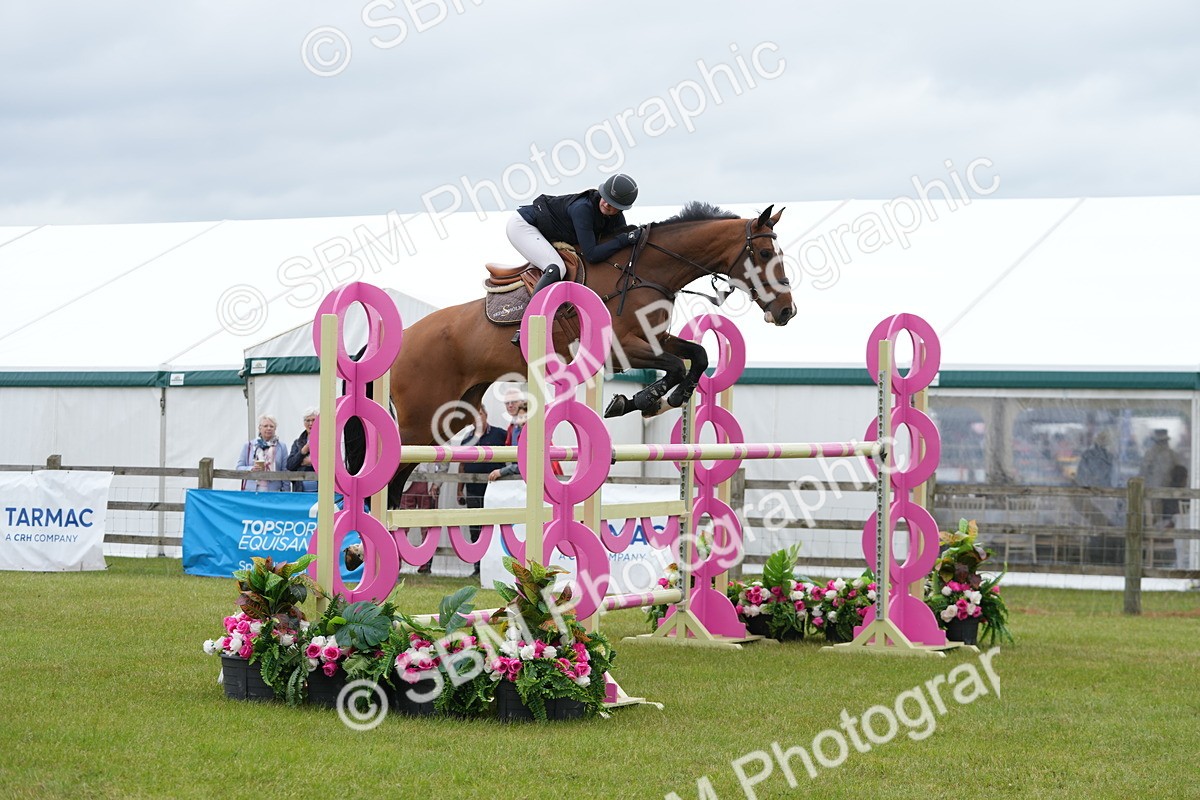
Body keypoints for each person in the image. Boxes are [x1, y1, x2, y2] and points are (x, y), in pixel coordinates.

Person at [507, 174, 641, 345]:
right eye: (605, 198)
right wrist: (625, 239)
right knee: (555, 267)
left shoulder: (616, 217)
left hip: (547, 231)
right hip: (524, 226)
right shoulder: (582, 208)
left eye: (613, 204)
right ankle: (526, 327)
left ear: (622, 209)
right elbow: (592, 254)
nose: (607, 204)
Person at [455, 402, 507, 576]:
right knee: (475, 527)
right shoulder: (467, 438)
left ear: (486, 415)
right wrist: (459, 489)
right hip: (473, 489)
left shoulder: (500, 434)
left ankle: (494, 565)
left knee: (494, 525)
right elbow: (461, 465)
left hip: (495, 490)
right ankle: (478, 567)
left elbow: (512, 461)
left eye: (480, 414)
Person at [1140, 429, 1182, 528]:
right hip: (1154, 488)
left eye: (1164, 441)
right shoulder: (1150, 454)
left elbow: (1179, 470)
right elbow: (1143, 471)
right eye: (1160, 442)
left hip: (1169, 489)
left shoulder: (1172, 454)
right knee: (1155, 508)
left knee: (1167, 511)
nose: (1163, 444)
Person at [237, 414, 290, 491]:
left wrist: (286, 492)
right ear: (260, 428)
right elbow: (239, 468)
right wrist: (251, 468)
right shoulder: (248, 446)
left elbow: (285, 471)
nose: (269, 428)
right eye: (265, 426)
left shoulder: (282, 447)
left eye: (271, 426)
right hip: (252, 491)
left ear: (275, 429)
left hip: (274, 491)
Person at [286, 409, 318, 492]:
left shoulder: (326, 441)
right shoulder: (297, 443)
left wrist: (312, 462)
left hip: (321, 492)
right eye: (308, 420)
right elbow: (290, 465)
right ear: (304, 423)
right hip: (301, 492)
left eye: (313, 420)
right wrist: (303, 452)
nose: (311, 423)